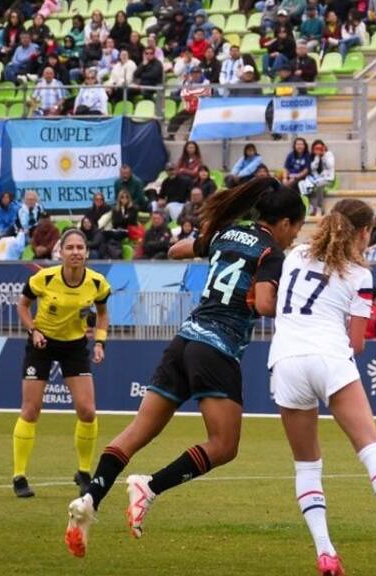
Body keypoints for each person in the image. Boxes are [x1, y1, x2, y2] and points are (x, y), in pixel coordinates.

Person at [65, 177, 305, 558]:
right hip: (217, 347)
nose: (293, 238)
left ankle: (90, 499)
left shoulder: (227, 233)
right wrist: (295, 301)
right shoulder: (272, 253)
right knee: (224, 446)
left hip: (183, 342)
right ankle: (150, 486)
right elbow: (263, 305)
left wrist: (209, 246)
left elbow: (177, 250)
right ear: (287, 224)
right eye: (296, 230)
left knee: (138, 430)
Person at [267, 198, 376, 576]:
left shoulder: (294, 255)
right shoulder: (359, 274)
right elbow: (356, 343)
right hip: (329, 356)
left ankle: (326, 552)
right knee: (372, 449)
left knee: (307, 466)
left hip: (286, 360)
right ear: (362, 231)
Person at [13, 229, 110, 498]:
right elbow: (22, 306)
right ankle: (19, 476)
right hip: (41, 345)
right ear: (61, 252)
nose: (76, 252)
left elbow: (102, 314)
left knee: (88, 411)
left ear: (87, 252)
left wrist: (100, 343)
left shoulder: (97, 283)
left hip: (74, 347)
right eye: (70, 247)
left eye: (81, 247)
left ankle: (83, 472)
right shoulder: (43, 278)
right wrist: (34, 331)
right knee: (31, 410)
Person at [168, 67, 211, 137]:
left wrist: (190, 93)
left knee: (195, 120)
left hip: (202, 108)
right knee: (175, 118)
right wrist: (194, 95)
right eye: (193, 73)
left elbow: (203, 92)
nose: (195, 75)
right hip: (190, 107)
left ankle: (190, 137)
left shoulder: (206, 82)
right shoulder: (188, 82)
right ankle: (171, 135)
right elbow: (183, 94)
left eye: (197, 73)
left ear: (200, 74)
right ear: (191, 74)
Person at [299, 139, 335, 216]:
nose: (319, 150)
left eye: (320, 148)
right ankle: (312, 207)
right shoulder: (311, 156)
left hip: (328, 179)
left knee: (319, 186)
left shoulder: (329, 154)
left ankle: (319, 208)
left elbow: (330, 165)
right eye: (316, 148)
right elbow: (312, 168)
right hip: (316, 179)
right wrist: (317, 157)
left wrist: (324, 155)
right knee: (305, 185)